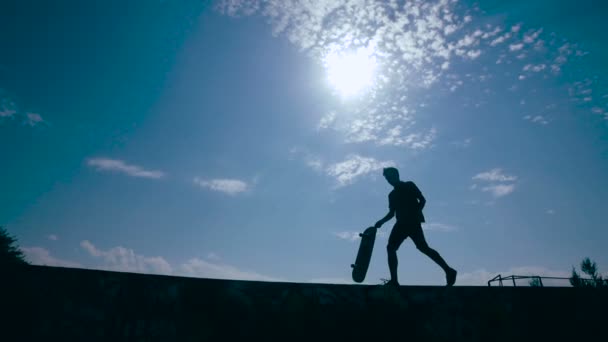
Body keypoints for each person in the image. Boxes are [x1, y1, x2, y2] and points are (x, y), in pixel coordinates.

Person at [374, 167, 457, 286]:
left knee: (423, 248)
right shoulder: (392, 195)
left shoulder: (409, 185)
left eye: (390, 177)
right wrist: (381, 222)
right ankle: (394, 280)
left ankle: (449, 271)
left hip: (412, 222)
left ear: (396, 175)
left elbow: (422, 200)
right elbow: (392, 213)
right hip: (401, 224)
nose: (388, 180)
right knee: (391, 248)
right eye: (387, 178)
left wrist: (417, 212)